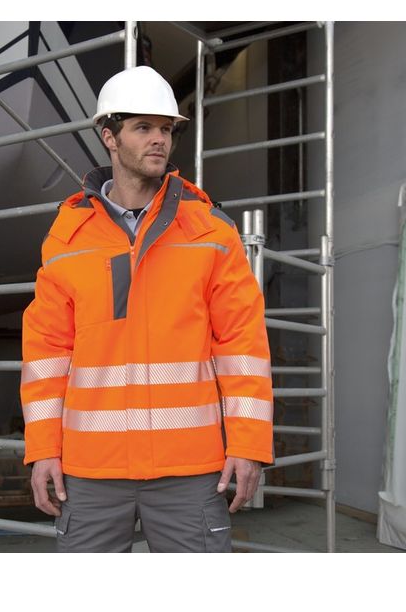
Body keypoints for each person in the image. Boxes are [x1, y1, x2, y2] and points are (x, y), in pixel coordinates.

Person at [20, 65, 274, 553]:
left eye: (166, 129)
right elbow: (47, 354)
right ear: (109, 137)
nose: (159, 139)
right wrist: (43, 448)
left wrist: (247, 444)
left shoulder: (210, 231)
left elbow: (242, 345)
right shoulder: (67, 238)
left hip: (190, 472)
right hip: (90, 472)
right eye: (142, 128)